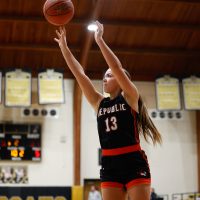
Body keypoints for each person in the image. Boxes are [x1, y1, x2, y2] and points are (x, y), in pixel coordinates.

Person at [54, 21, 162, 200]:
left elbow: (117, 67)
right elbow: (80, 74)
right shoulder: (99, 102)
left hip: (133, 161)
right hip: (110, 163)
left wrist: (100, 40)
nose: (105, 79)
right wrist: (64, 48)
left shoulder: (129, 96)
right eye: (104, 76)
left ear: (121, 81)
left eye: (110, 76)